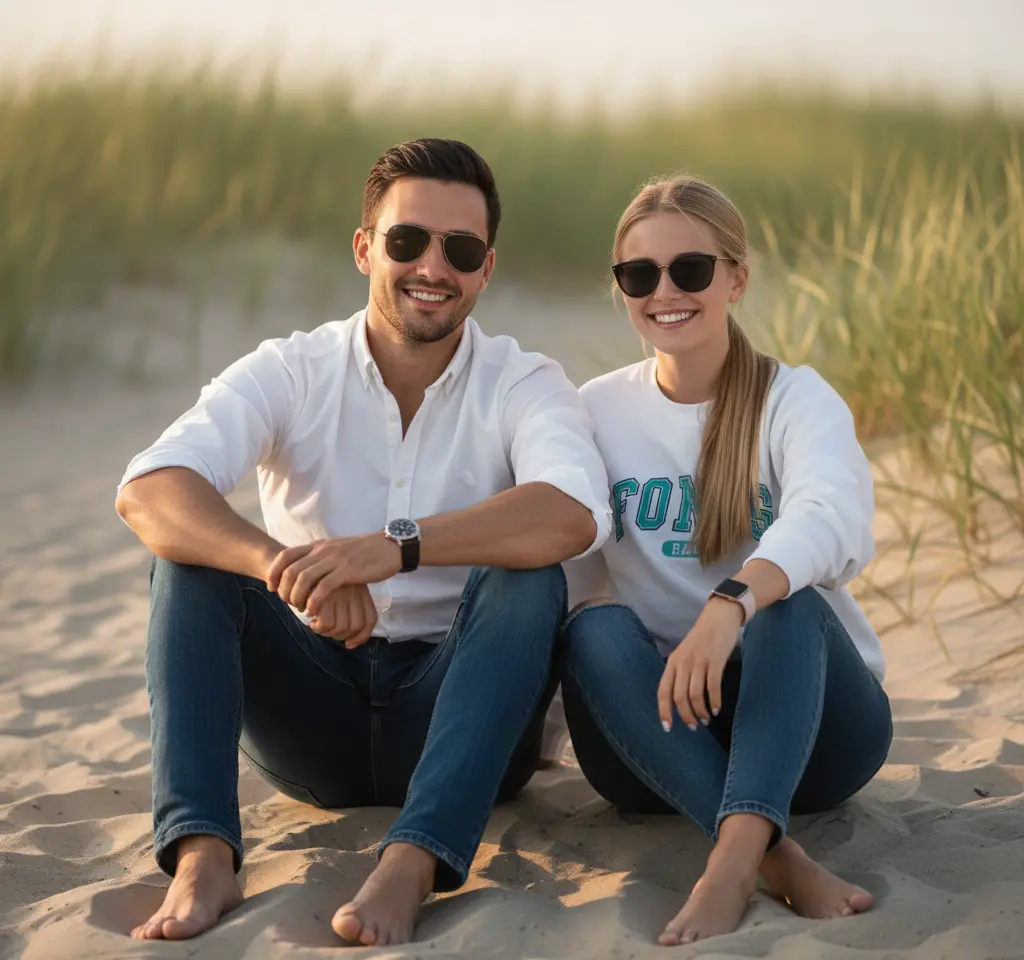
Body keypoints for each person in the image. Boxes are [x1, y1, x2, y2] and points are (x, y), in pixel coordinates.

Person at [114, 138, 612, 947]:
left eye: (461, 250)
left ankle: (415, 860)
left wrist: (396, 546)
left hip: (461, 708)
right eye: (407, 240)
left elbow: (572, 513)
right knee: (189, 565)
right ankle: (203, 854)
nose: (433, 268)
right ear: (364, 248)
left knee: (527, 577)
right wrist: (287, 569)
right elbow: (149, 488)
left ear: (486, 269)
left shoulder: (523, 382)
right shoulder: (293, 369)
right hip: (312, 714)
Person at [558, 175, 892, 945]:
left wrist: (730, 603)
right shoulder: (595, 411)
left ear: (736, 279)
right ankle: (775, 857)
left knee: (789, 601)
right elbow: (567, 569)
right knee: (592, 629)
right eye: (639, 274)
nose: (665, 292)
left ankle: (732, 864)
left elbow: (831, 519)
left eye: (691, 268)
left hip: (815, 736)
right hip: (662, 741)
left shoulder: (795, 399)